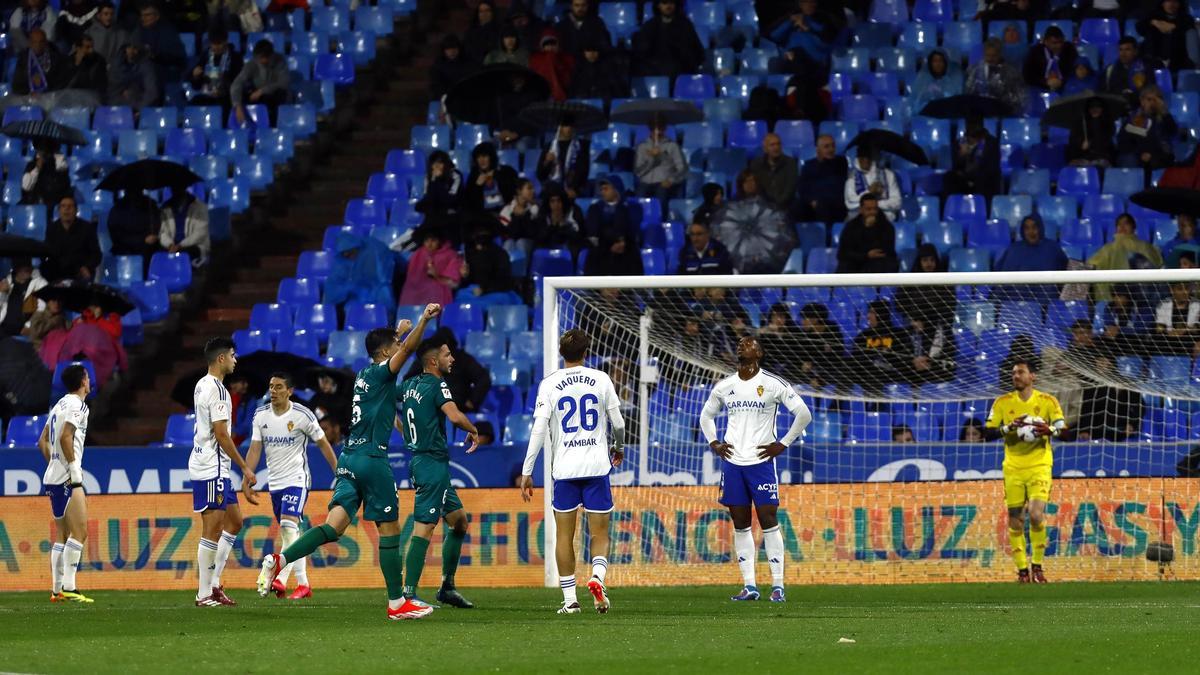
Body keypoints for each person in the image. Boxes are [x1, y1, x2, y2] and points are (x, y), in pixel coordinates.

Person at [257, 306, 440, 620]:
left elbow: (386, 399)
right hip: (371, 459)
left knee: (333, 526)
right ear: (385, 353)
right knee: (390, 529)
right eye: (394, 347)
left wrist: (397, 331)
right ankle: (397, 603)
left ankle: (280, 559)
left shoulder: (363, 376)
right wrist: (422, 321)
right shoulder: (383, 372)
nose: (399, 350)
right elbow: (407, 350)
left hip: (349, 459)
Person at [518, 329, 625, 614]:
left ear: (561, 353)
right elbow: (618, 421)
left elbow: (539, 428)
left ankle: (570, 601)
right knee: (599, 533)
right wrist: (619, 446)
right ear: (586, 351)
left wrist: (527, 470)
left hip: (564, 470)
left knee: (564, 535)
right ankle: (597, 577)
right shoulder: (600, 379)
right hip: (596, 466)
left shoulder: (550, 384)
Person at [700, 335, 812, 603]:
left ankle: (778, 585)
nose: (741, 345)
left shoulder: (773, 384)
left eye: (748, 343)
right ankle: (749, 586)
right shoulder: (725, 386)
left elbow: (804, 414)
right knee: (740, 524)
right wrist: (714, 443)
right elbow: (706, 416)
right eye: (739, 343)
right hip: (734, 464)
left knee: (768, 521)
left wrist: (782, 443)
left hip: (761, 463)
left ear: (759, 353)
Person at [398, 338, 481, 609]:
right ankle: (407, 594)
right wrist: (473, 429)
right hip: (430, 464)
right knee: (424, 528)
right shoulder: (437, 384)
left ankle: (446, 586)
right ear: (434, 361)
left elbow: (389, 405)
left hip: (426, 462)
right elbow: (454, 415)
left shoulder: (409, 385)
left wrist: (407, 435)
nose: (452, 359)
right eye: (447, 354)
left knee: (458, 522)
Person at [241, 372, 337, 600]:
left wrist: (339, 472)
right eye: (271, 386)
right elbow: (255, 448)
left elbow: (323, 444)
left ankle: (280, 578)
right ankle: (303, 584)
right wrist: (247, 477)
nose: (273, 391)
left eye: (279, 387)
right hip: (275, 483)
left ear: (290, 391)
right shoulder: (261, 415)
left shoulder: (303, 415)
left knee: (287, 525)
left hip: (297, 479)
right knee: (290, 532)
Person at [189, 337, 258, 607]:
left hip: (214, 466)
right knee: (212, 528)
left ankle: (214, 583)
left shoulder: (201, 384)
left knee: (235, 521)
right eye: (232, 355)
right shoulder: (218, 391)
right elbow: (221, 433)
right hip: (211, 467)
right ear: (221, 359)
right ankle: (203, 593)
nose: (235, 359)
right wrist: (244, 467)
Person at [983, 360, 1065, 584]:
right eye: (1013, 373)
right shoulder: (1002, 403)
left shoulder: (1048, 401)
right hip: (1013, 468)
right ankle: (1022, 571)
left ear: (1033, 376)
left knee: (1036, 514)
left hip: (1039, 465)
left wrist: (1050, 429)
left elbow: (1063, 429)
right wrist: (1009, 428)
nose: (1016, 376)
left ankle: (1037, 566)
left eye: (1021, 372)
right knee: (1015, 520)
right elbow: (987, 433)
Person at [38, 364, 92, 603]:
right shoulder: (77, 405)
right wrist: (72, 470)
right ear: (82, 382)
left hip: (52, 476)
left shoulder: (58, 405)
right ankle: (69, 587)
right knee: (80, 532)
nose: (89, 381)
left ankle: (56, 589)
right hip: (67, 477)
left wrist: (55, 464)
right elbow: (65, 436)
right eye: (88, 377)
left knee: (62, 533)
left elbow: (42, 442)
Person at [403, 327, 492, 414]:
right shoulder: (426, 358)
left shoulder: (463, 359)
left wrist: (473, 401)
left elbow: (483, 378)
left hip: (456, 408)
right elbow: (409, 381)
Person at [1088, 213, 1164, 301]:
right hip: (1112, 296)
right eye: (1119, 224)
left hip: (1141, 295)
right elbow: (1092, 264)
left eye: (1126, 223)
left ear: (1133, 227)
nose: (1122, 226)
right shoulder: (1108, 249)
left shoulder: (1144, 247)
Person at [584, 175, 643, 276]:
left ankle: (627, 289)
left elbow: (633, 229)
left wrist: (622, 241)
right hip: (602, 249)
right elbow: (593, 231)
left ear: (616, 189)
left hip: (625, 248)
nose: (603, 192)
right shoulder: (595, 208)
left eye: (606, 189)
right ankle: (600, 288)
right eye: (601, 189)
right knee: (594, 253)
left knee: (631, 253)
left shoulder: (630, 208)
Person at [632, 0, 704, 78]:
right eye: (664, 2)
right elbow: (642, 53)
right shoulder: (649, 26)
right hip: (655, 71)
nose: (668, 6)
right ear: (658, 5)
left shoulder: (685, 25)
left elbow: (696, 52)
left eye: (671, 2)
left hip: (681, 71)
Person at [457, 223, 522, 308]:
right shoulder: (471, 253)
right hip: (474, 291)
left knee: (501, 299)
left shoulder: (500, 254)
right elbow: (470, 280)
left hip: (495, 291)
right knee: (461, 296)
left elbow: (505, 281)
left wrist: (484, 289)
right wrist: (465, 276)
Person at [769, 0, 837, 80]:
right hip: (791, 58)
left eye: (812, 2)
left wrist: (807, 26)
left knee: (798, 56)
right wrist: (790, 22)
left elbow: (824, 43)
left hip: (814, 61)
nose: (810, 5)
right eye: (806, 2)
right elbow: (774, 36)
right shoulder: (792, 19)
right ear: (800, 4)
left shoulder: (823, 20)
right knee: (774, 62)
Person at [1116, 84, 1179, 170]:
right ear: (1142, 101)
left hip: (1159, 157)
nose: (1152, 103)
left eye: (1155, 100)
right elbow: (1124, 142)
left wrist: (1164, 111)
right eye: (1149, 99)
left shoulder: (1164, 118)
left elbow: (1173, 132)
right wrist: (1141, 153)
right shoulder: (1136, 118)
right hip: (1138, 157)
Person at [852, 300, 911, 391]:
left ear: (881, 314)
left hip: (890, 373)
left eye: (872, 313)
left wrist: (886, 356)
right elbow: (856, 356)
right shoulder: (863, 335)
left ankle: (877, 404)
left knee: (875, 374)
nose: (868, 316)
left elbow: (904, 359)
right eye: (869, 312)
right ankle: (835, 404)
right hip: (867, 371)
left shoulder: (899, 334)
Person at [633, 115, 687, 211]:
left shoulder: (672, 146)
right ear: (650, 129)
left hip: (664, 182)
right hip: (646, 182)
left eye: (660, 128)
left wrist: (671, 180)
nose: (657, 131)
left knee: (661, 194)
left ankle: (660, 221)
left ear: (664, 129)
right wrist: (651, 160)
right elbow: (638, 171)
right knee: (639, 195)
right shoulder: (642, 146)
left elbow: (682, 169)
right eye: (654, 128)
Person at [42, 195, 102, 283]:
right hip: (58, 273)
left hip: (79, 272)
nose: (66, 209)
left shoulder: (87, 228)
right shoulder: (52, 228)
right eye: (63, 206)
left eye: (70, 206)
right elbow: (47, 252)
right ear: (59, 210)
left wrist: (87, 267)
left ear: (76, 210)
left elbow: (96, 255)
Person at [231, 39, 289, 126]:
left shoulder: (279, 61)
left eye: (264, 58)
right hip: (258, 98)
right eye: (259, 58)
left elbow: (284, 82)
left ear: (270, 56)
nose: (261, 61)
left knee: (279, 93)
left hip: (275, 98)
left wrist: (262, 91)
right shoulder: (252, 64)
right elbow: (237, 83)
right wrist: (237, 105)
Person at [836, 193, 899, 274]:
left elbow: (884, 251)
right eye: (868, 209)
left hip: (878, 264)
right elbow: (842, 254)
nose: (872, 212)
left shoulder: (886, 226)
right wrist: (866, 255)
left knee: (886, 264)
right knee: (844, 265)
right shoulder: (851, 227)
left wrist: (870, 229)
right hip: (856, 263)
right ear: (861, 209)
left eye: (875, 209)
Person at [399, 227, 461, 307]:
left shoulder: (451, 255)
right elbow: (412, 278)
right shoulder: (419, 253)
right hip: (418, 288)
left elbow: (454, 284)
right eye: (427, 241)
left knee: (433, 290)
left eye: (433, 241)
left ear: (440, 241)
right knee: (408, 291)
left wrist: (437, 276)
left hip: (438, 289)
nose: (429, 244)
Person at [966, 38, 1026, 114]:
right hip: (978, 112)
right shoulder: (974, 70)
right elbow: (969, 93)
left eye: (994, 56)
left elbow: (1020, 98)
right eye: (987, 55)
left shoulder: (1012, 72)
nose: (990, 59)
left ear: (1000, 54)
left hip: (1002, 112)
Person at [189, 26, 241, 115]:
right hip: (208, 94)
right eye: (213, 44)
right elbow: (196, 85)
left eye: (219, 43)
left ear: (225, 41)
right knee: (195, 102)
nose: (216, 47)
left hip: (226, 96)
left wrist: (224, 83)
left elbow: (239, 82)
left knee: (226, 104)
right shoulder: (205, 56)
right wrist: (195, 76)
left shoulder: (235, 57)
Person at [944, 119, 1001, 198]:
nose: (973, 126)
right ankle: (952, 206)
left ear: (981, 125)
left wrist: (976, 161)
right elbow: (955, 167)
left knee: (984, 178)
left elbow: (992, 167)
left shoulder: (991, 143)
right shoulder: (960, 142)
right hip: (964, 180)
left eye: (976, 123)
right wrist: (961, 156)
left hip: (984, 179)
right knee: (949, 177)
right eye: (970, 123)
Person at [798, 134, 848, 224]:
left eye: (833, 146)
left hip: (837, 202)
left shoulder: (841, 162)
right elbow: (802, 188)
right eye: (826, 147)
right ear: (818, 149)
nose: (831, 149)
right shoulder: (809, 165)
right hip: (816, 204)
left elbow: (841, 184)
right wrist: (811, 201)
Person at [133, 3, 185, 86]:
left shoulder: (168, 31)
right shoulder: (138, 30)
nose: (143, 18)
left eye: (147, 15)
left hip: (165, 73)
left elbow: (178, 58)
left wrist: (155, 55)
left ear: (157, 16)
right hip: (142, 73)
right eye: (142, 15)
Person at [536, 120, 590, 200]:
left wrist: (575, 189)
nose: (570, 128)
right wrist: (547, 161)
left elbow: (583, 171)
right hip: (552, 192)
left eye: (572, 125)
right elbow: (540, 175)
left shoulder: (581, 146)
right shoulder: (549, 147)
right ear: (560, 127)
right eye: (566, 125)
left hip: (571, 192)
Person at [1137, 0, 1196, 71]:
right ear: (1162, 3)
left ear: (1179, 4)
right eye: (1168, 1)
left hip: (1179, 60)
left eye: (1175, 1)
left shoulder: (1186, 18)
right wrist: (1154, 22)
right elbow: (1140, 27)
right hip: (1154, 58)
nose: (1171, 4)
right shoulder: (1153, 16)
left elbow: (1188, 27)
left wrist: (1173, 26)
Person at [844, 148, 900, 221]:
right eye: (862, 157)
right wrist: (869, 192)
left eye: (868, 157)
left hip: (884, 220)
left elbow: (897, 202)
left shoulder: (888, 175)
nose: (866, 160)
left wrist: (876, 205)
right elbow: (850, 204)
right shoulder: (852, 178)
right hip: (860, 221)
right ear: (858, 158)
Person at [463, 142, 519, 216]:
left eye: (484, 156)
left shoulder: (506, 171)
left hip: (506, 212)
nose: (481, 160)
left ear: (491, 157)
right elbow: (468, 203)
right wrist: (477, 186)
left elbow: (515, 192)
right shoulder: (474, 176)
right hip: (483, 216)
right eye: (478, 157)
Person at [749, 133, 799, 212]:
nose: (776, 147)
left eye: (778, 144)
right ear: (765, 149)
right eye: (772, 145)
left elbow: (790, 189)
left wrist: (778, 205)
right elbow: (757, 189)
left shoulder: (790, 163)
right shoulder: (757, 164)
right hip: (764, 207)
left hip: (786, 206)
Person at [12, 28, 69, 95]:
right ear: (29, 43)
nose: (37, 45)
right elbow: (16, 85)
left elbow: (61, 82)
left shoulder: (55, 58)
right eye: (34, 42)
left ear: (46, 43)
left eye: (41, 42)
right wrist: (30, 92)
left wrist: (47, 92)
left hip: (50, 96)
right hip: (28, 97)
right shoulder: (23, 59)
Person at [0, 259, 48, 338]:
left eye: (28, 267)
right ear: (16, 268)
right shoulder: (7, 281)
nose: (25, 270)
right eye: (21, 267)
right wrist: (1, 292)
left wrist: (29, 325)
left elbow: (43, 308)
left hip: (22, 332)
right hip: (3, 327)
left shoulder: (40, 283)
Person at [532, 183, 585, 254]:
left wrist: (562, 225)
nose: (556, 205)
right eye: (552, 201)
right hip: (548, 248)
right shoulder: (543, 213)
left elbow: (579, 237)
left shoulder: (574, 210)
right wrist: (553, 225)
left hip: (569, 248)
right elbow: (539, 238)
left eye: (558, 201)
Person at [413, 150, 462, 225]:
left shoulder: (455, 175)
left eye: (440, 162)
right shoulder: (429, 177)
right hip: (434, 211)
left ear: (445, 164)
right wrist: (434, 180)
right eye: (434, 163)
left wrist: (438, 181)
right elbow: (429, 198)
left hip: (450, 210)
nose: (437, 166)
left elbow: (450, 199)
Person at [1022, 25, 1077, 93]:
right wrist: (1045, 82)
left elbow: (1074, 70)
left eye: (1061, 42)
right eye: (1054, 43)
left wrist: (1062, 81)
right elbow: (1028, 75)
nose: (1059, 45)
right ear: (1045, 42)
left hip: (1065, 86)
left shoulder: (1069, 49)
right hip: (1041, 87)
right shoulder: (1035, 52)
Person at [1066, 96, 1117, 167]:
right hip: (1082, 157)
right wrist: (1081, 144)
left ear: (1102, 109)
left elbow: (1107, 143)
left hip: (1102, 157)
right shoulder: (1080, 123)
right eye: (1092, 108)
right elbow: (1073, 143)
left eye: (1098, 107)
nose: (1095, 110)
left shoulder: (1108, 123)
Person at [107, 42, 159, 110]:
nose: (133, 51)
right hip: (117, 107)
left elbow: (152, 92)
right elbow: (111, 90)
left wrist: (139, 109)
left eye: (135, 48)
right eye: (130, 47)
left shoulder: (146, 66)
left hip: (139, 107)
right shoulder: (117, 65)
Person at [911, 49, 963, 113]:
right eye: (935, 61)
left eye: (941, 61)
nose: (938, 64)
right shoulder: (923, 79)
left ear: (945, 63)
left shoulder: (951, 80)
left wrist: (942, 94)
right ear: (930, 63)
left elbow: (956, 100)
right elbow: (916, 101)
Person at [529, 28, 574, 101]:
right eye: (547, 44)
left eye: (553, 44)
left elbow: (568, 78)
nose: (550, 47)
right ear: (542, 46)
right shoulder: (535, 59)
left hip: (563, 94)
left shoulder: (567, 58)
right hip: (541, 94)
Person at [21, 141, 70, 207]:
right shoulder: (32, 165)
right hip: (34, 203)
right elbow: (26, 187)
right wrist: (37, 169)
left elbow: (63, 186)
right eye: (40, 148)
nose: (43, 151)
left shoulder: (60, 164)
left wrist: (60, 165)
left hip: (54, 204)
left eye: (47, 149)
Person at [430, 34, 476, 102]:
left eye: (454, 48)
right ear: (444, 50)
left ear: (459, 48)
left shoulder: (468, 62)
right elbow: (436, 85)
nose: (452, 51)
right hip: (446, 98)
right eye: (448, 49)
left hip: (466, 97)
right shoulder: (438, 65)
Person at [464, 0, 502, 64]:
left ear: (493, 12)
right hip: (475, 66)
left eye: (487, 10)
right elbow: (467, 51)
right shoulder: (471, 32)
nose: (484, 14)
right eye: (481, 11)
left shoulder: (500, 30)